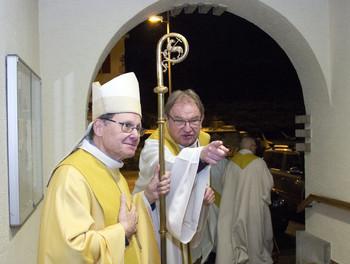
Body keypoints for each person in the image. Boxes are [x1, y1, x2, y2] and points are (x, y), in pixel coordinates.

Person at [38, 72, 170, 264]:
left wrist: (148, 196)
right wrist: (121, 233)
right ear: (98, 127)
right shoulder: (72, 175)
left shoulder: (113, 169)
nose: (135, 135)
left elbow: (118, 216)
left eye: (138, 128)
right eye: (126, 125)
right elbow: (68, 251)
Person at [133, 89, 229, 264]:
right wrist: (199, 157)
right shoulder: (155, 144)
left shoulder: (203, 141)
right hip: (155, 228)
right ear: (166, 119)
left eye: (193, 120)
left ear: (202, 119)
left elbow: (196, 182)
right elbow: (168, 168)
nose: (187, 128)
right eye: (179, 121)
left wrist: (203, 196)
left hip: (188, 229)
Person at [216, 137, 274, 264]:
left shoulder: (230, 164)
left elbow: (223, 184)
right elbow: (268, 185)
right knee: (254, 241)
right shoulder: (259, 163)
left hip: (233, 210)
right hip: (252, 210)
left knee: (233, 239)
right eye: (255, 146)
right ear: (252, 147)